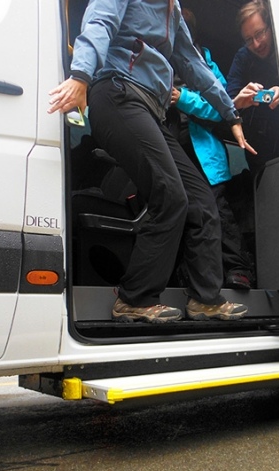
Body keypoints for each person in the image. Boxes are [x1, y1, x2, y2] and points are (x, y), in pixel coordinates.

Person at [48, 0, 256, 323]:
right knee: (169, 194)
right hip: (118, 93)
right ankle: (135, 297)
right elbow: (99, 23)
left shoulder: (173, 13)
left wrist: (230, 113)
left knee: (201, 201)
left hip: (149, 109)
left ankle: (205, 298)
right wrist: (81, 74)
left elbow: (194, 65)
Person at [170, 8, 254, 290]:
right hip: (172, 149)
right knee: (182, 213)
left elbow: (220, 107)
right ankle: (189, 276)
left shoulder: (204, 62)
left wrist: (181, 97)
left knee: (217, 211)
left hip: (206, 153)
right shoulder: (156, 61)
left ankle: (237, 268)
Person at [227, 0, 279, 174]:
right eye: (249, 40)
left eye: (260, 34)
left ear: (271, 26)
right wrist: (238, 101)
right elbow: (229, 100)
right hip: (258, 144)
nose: (256, 44)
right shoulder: (242, 57)